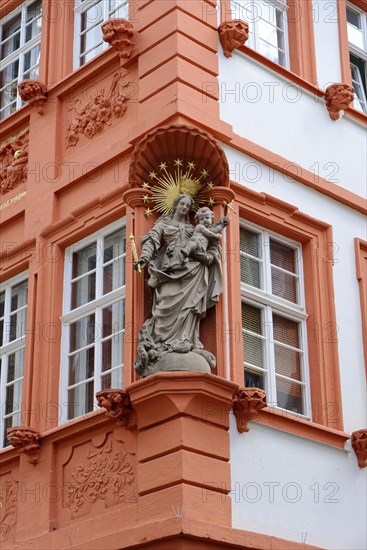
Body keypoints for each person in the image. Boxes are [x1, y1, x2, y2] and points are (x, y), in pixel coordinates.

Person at [133, 194, 225, 376]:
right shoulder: (163, 225)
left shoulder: (193, 228)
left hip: (192, 271)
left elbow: (209, 242)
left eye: (188, 205)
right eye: (182, 204)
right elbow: (151, 241)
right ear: (175, 205)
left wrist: (209, 255)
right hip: (169, 271)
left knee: (189, 308)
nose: (184, 207)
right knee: (165, 304)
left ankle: (186, 339)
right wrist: (144, 257)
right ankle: (161, 343)